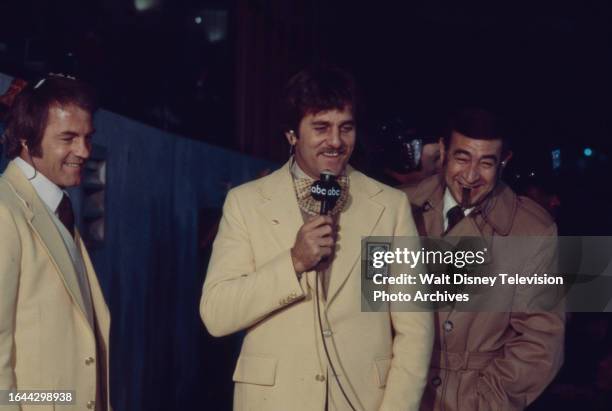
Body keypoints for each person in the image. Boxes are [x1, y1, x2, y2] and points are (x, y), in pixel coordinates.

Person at [200, 66, 433, 411]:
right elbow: (217, 315)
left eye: (346, 128)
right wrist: (293, 262)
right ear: (292, 134)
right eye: (321, 128)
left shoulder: (390, 206)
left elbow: (414, 329)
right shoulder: (246, 203)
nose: (336, 142)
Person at [401, 108, 565, 411]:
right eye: (462, 158)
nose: (471, 175)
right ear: (442, 150)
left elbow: (541, 343)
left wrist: (480, 402)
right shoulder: (397, 207)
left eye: (486, 162)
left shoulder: (533, 232)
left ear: (504, 162)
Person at [0, 74, 111, 411]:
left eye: (88, 138)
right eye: (68, 138)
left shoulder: (56, 208)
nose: (84, 151)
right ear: (25, 137)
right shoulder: (5, 212)